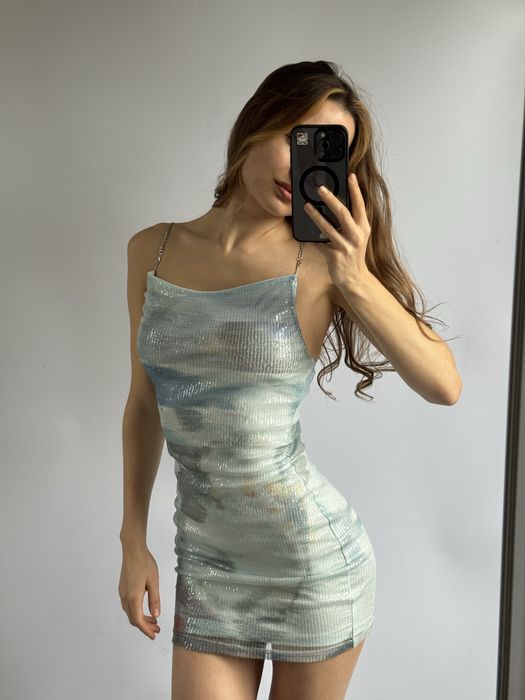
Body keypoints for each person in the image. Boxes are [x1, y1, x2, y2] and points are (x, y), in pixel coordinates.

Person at [118, 60, 462, 700]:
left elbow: (445, 385)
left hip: (314, 569)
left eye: (329, 151)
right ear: (256, 125)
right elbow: (144, 404)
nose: (303, 165)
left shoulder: (324, 264)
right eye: (297, 138)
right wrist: (132, 540)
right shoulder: (152, 250)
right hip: (208, 565)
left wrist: (355, 276)